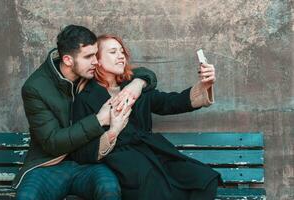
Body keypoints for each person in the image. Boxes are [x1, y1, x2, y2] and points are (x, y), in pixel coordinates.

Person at [14, 25, 157, 200]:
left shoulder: (87, 71)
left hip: (88, 164)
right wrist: (99, 120)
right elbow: (53, 142)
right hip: (48, 166)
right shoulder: (35, 88)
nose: (96, 62)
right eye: (89, 57)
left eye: (96, 54)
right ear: (68, 60)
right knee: (27, 196)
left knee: (108, 187)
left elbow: (136, 72)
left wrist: (139, 83)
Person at [70, 34, 221, 200]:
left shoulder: (134, 87)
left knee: (204, 179)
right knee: (161, 192)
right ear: (96, 60)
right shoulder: (84, 97)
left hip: (153, 152)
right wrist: (112, 132)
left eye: (122, 51)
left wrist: (204, 85)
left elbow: (170, 102)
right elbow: (81, 151)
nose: (121, 56)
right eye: (113, 52)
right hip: (124, 164)